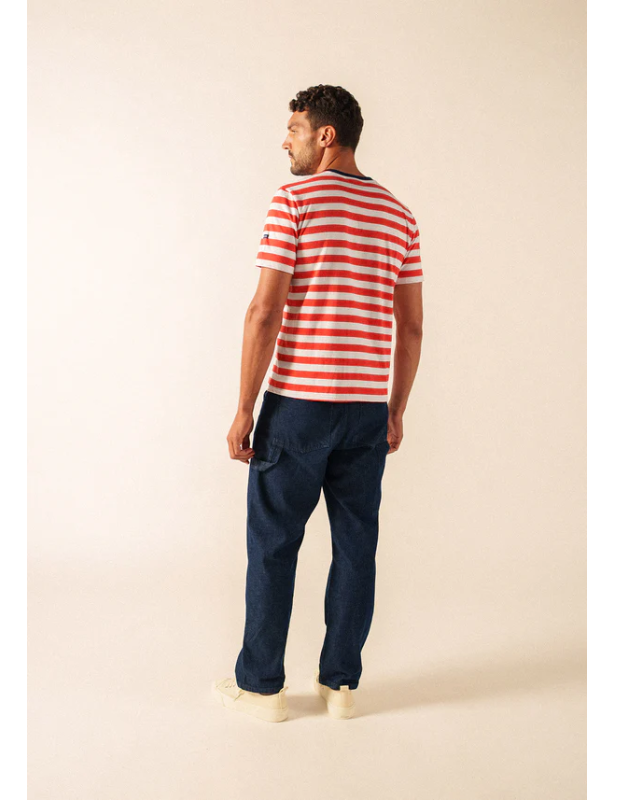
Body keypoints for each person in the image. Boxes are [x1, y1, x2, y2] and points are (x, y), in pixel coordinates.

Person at [212, 84, 424, 722]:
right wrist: (395, 408)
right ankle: (341, 687)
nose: (285, 141)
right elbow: (412, 327)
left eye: (294, 129)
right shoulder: (399, 215)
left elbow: (264, 310)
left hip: (298, 406)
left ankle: (261, 689)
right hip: (365, 410)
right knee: (357, 545)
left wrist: (244, 407)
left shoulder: (294, 202)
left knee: (273, 545)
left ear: (325, 136)